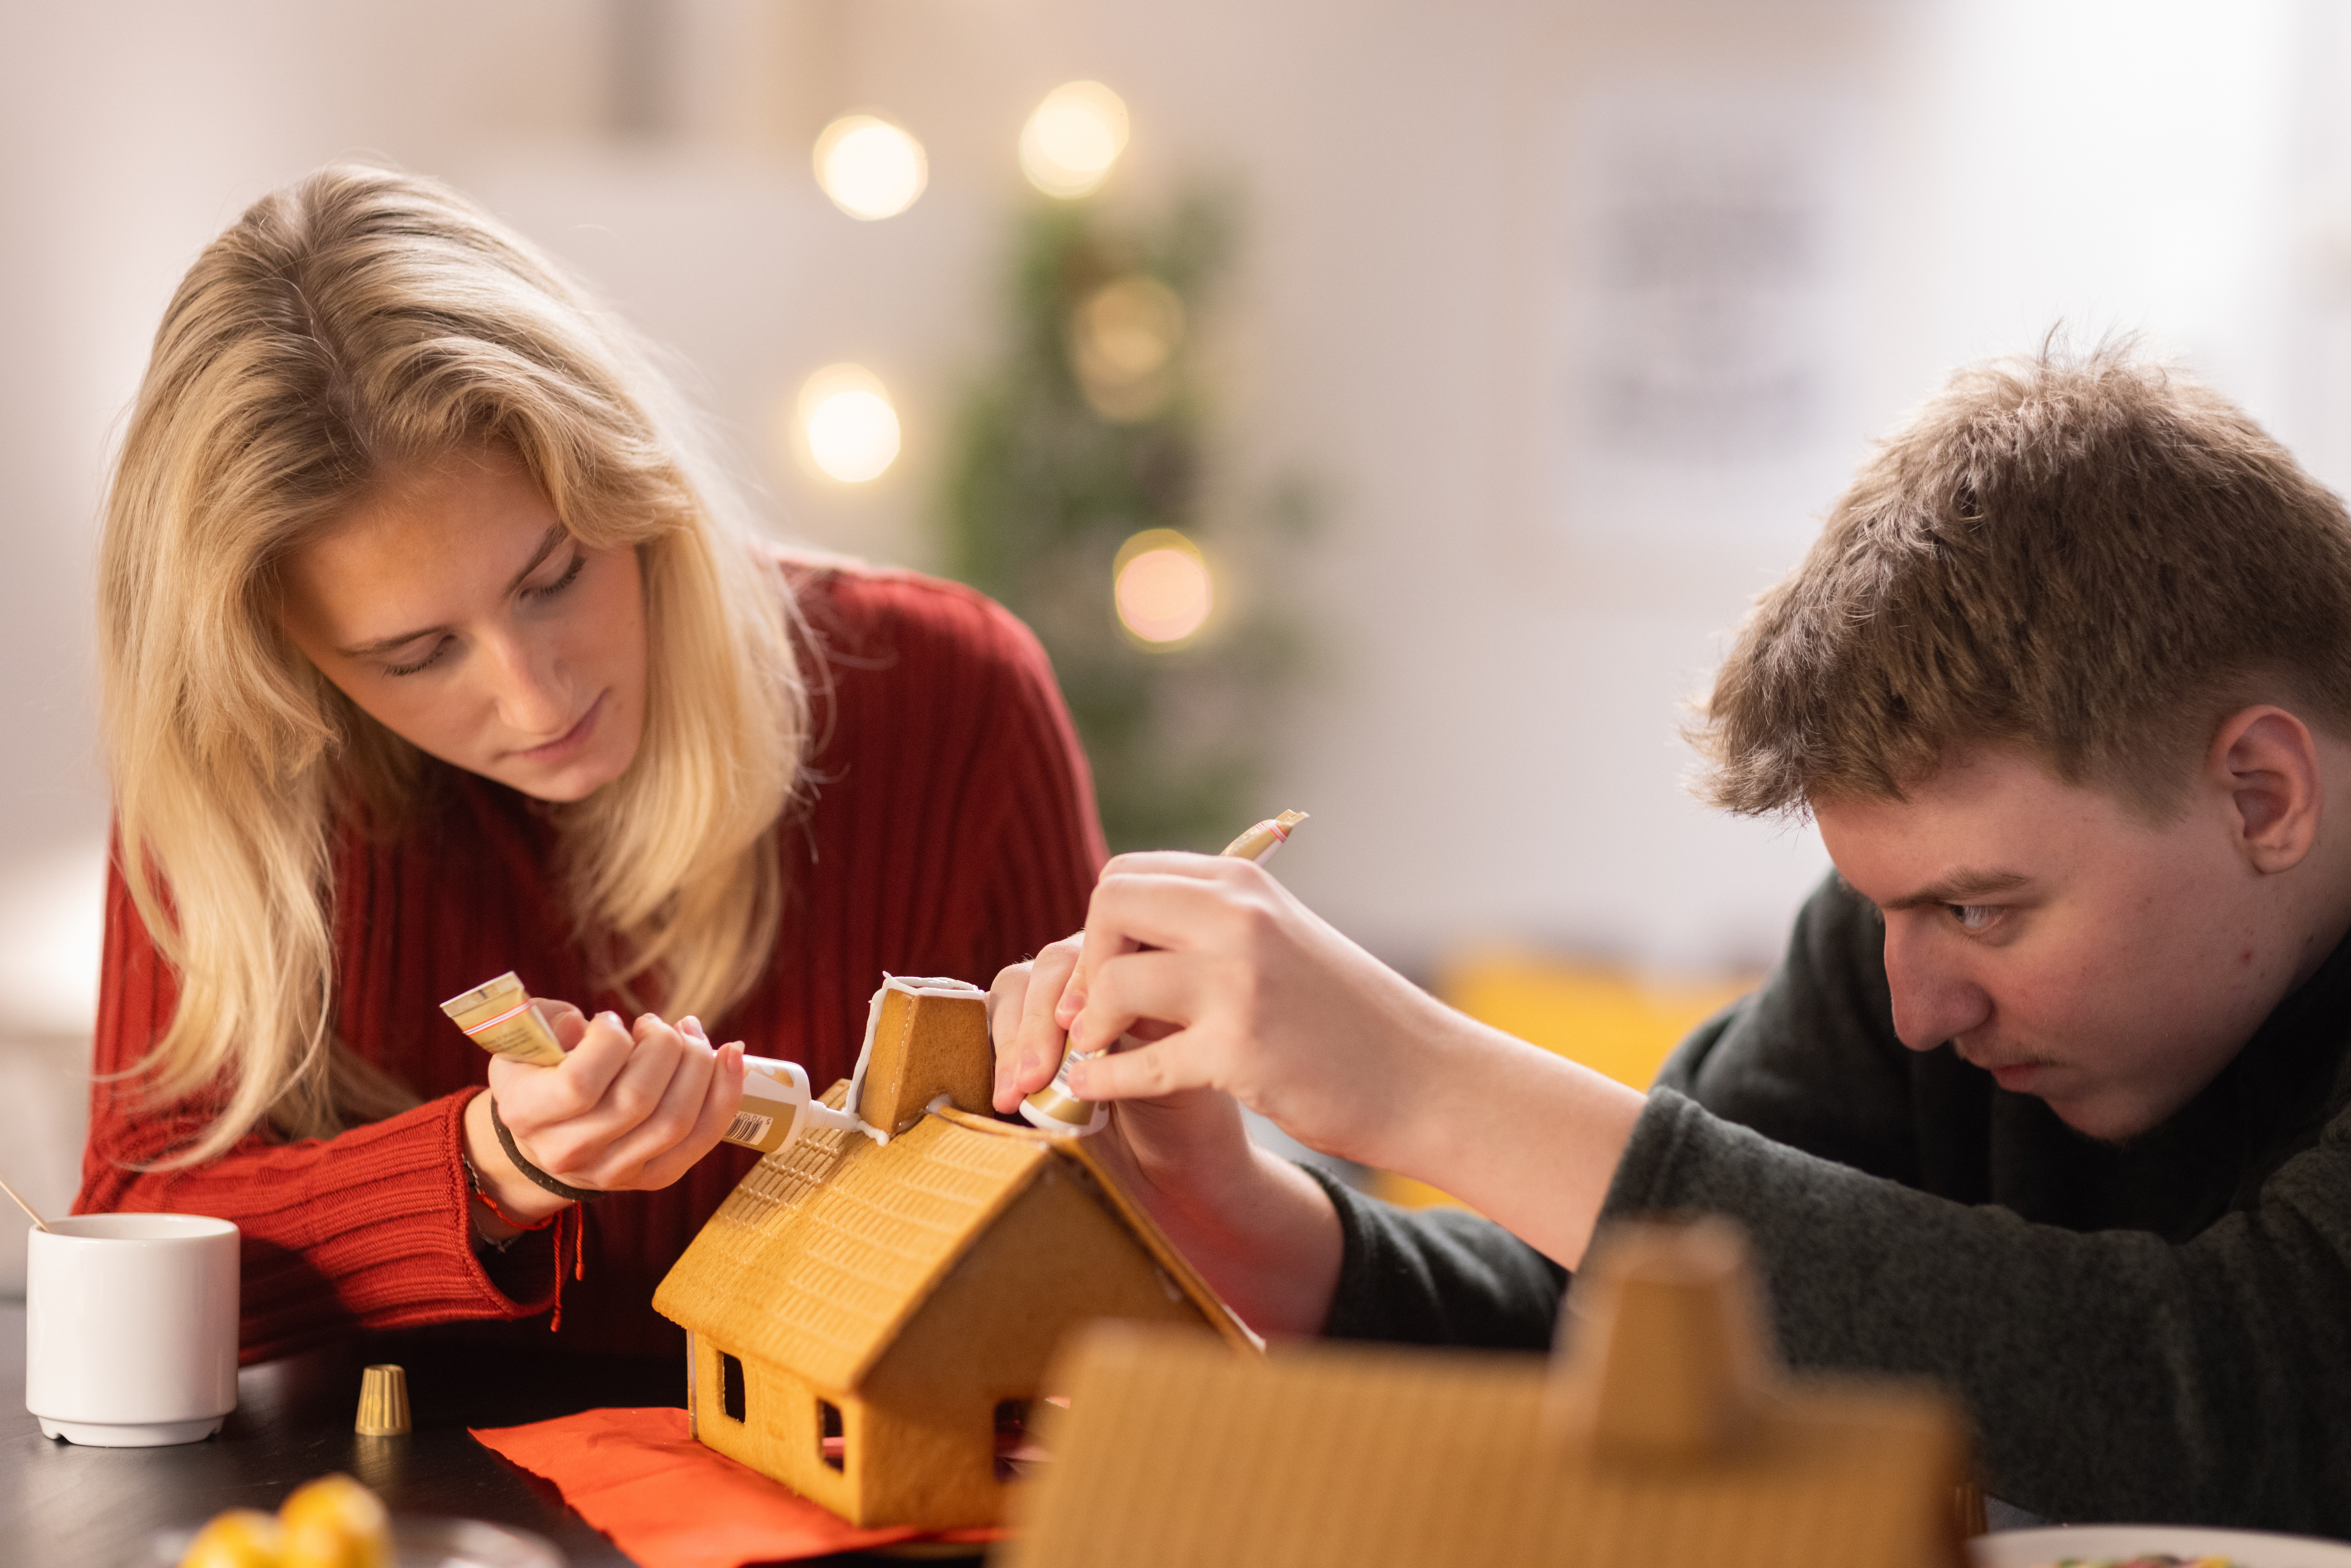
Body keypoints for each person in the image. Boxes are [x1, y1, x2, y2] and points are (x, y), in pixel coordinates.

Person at [988, 346, 2351, 1532]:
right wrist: (1241, 1216)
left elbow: (2245, 1402)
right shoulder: (1892, 962)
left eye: (1977, 909)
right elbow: (1617, 1326)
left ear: (2259, 794)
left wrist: (1421, 1080)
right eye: (1884, 906)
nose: (1915, 1008)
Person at [78, 164, 1104, 1360]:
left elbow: (1105, 1221)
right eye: (415, 654)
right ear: (289, 663)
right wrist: (489, 1166)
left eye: (554, 577)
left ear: (634, 491)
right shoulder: (246, 781)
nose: (534, 693)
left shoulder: (948, 693)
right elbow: (126, 1239)